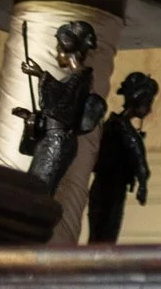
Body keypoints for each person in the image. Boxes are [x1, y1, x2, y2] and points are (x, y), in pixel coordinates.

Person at [15, 20, 105, 193]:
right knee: (32, 186)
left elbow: (64, 104)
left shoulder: (81, 77)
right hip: (52, 139)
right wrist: (31, 118)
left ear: (67, 51)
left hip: (58, 142)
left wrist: (40, 75)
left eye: (58, 51)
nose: (57, 56)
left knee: (39, 189)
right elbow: (57, 108)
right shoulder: (74, 78)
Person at [87, 71, 157, 243]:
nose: (149, 109)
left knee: (102, 233)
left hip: (107, 187)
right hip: (110, 189)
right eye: (148, 103)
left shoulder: (114, 125)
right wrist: (142, 184)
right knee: (105, 233)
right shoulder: (123, 129)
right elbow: (140, 160)